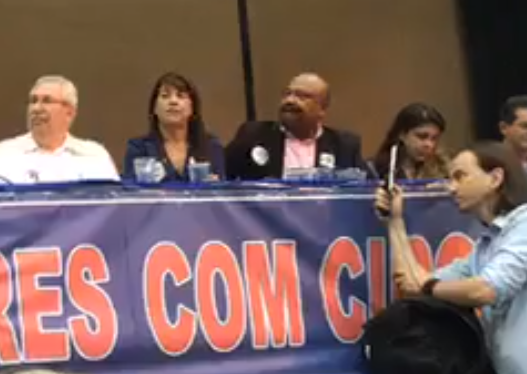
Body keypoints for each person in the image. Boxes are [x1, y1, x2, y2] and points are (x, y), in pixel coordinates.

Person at [376, 141, 527, 374]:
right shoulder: (484, 247)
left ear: (495, 178)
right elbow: (413, 285)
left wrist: (430, 286)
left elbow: (485, 290)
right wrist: (395, 222)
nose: (451, 188)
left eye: (460, 176)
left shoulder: (524, 225)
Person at [225, 72, 365, 180]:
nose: (290, 100)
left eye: (302, 96)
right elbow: (224, 179)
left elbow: (362, 189)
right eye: (287, 94)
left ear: (322, 109)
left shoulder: (344, 145)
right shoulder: (253, 135)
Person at [0, 75, 118, 183]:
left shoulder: (95, 156)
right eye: (33, 101)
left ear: (69, 112)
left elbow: (113, 205)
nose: (36, 108)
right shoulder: (2, 154)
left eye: (46, 101)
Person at [123, 72, 225, 182]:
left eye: (180, 96)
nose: (173, 101)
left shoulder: (211, 146)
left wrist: (215, 186)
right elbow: (130, 189)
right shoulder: (139, 148)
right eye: (165, 96)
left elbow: (223, 187)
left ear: (192, 108)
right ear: (154, 108)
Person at [371, 103, 449, 181]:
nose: (429, 144)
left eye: (434, 138)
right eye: (422, 136)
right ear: (402, 135)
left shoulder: (444, 171)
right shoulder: (375, 171)